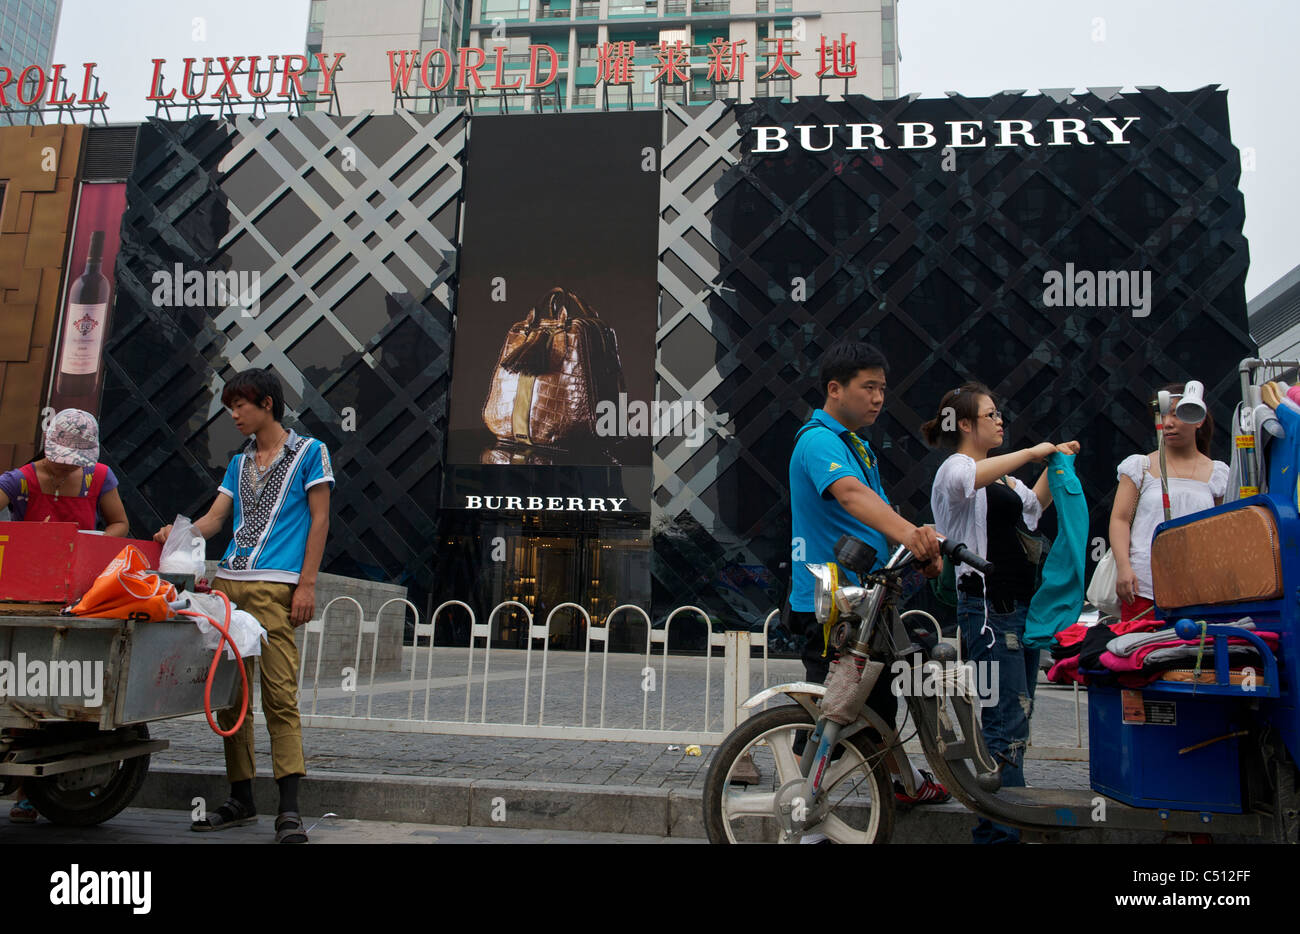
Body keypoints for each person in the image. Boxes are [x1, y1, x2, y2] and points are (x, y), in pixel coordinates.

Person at [155, 369, 332, 844]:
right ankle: (240, 799)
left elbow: (320, 519)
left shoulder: (311, 453)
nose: (233, 414)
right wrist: (179, 535)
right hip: (229, 587)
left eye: (240, 405)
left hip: (277, 588)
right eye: (231, 406)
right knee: (234, 696)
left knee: (279, 696)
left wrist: (307, 585)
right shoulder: (239, 461)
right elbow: (216, 517)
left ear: (267, 404)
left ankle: (289, 810)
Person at [788, 341, 950, 825]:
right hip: (830, 608)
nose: (879, 398)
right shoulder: (819, 441)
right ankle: (801, 812)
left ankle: (904, 784)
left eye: (883, 388)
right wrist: (913, 537)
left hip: (864, 603)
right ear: (835, 389)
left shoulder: (854, 445)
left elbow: (879, 512)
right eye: (869, 387)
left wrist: (918, 544)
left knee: (877, 700)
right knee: (831, 709)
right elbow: (853, 497)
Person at [924, 382, 1078, 845]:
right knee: (1004, 720)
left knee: (1017, 715)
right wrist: (1033, 451)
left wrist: (1057, 462)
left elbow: (1034, 508)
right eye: (990, 415)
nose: (999, 420)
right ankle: (998, 832)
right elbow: (968, 480)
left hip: (1020, 611)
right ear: (965, 424)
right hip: (987, 610)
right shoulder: (956, 469)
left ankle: (1006, 817)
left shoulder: (1007, 480)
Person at [1, 408, 129, 824]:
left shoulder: (98, 478)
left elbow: (120, 524)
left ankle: (35, 791)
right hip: (28, 592)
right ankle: (23, 787)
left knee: (60, 687)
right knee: (19, 683)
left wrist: (89, 544)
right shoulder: (19, 480)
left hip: (79, 592)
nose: (65, 465)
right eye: (59, 456)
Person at [1109, 382, 1228, 623]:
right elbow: (1120, 519)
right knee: (1141, 656)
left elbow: (1223, 531)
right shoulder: (1141, 466)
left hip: (1201, 588)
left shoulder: (1219, 473)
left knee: (1195, 656)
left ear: (1198, 417)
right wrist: (1124, 567)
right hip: (1143, 586)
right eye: (1163, 414)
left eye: (1177, 413)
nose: (1169, 422)